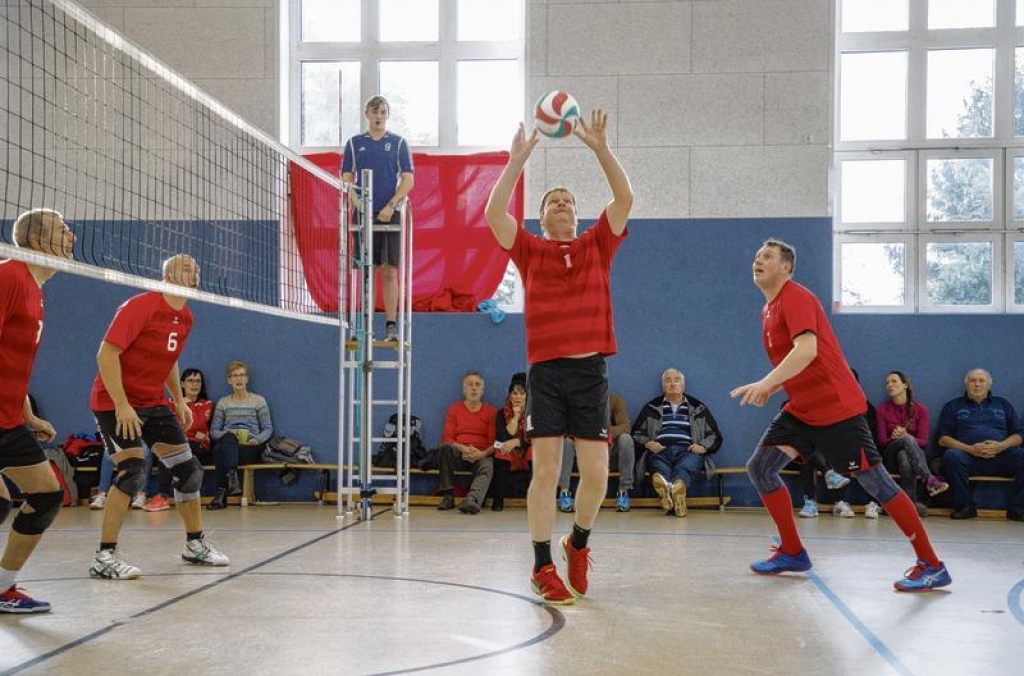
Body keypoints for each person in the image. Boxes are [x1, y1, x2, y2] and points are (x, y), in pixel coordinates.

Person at [730, 239, 950, 592]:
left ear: (786, 267)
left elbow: (807, 350)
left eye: (767, 256)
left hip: (837, 408)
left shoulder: (796, 297)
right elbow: (799, 366)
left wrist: (767, 382)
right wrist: (770, 389)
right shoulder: (768, 310)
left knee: (877, 484)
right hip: (801, 408)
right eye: (756, 256)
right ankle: (792, 551)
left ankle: (932, 563)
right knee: (761, 467)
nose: (758, 260)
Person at [485, 110, 633, 604]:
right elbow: (493, 214)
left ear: (579, 214)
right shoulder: (529, 250)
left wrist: (600, 149)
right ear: (543, 217)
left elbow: (625, 198)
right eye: (554, 202)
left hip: (590, 372)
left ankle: (578, 543)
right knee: (546, 472)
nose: (564, 205)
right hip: (546, 373)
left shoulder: (597, 245)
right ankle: (542, 564)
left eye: (569, 201)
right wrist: (516, 161)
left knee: (594, 475)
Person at [88, 254, 229, 579]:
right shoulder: (142, 305)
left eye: (196, 268)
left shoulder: (187, 316)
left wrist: (179, 400)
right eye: (184, 266)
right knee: (133, 472)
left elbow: (170, 359)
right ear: (166, 275)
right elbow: (106, 354)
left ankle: (195, 545)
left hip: (153, 402)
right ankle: (104, 555)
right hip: (113, 401)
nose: (192, 270)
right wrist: (122, 405)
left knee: (189, 470)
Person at [0, 208, 75, 613]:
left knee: (45, 497)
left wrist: (26, 412)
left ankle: (2, 588)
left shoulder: (34, 289)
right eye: (62, 231)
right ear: (35, 239)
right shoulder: (8, 276)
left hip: (8, 420)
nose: (71, 237)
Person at [341, 95, 415, 342]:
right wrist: (355, 199)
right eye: (375, 112)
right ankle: (365, 323)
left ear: (387, 115)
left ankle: (391, 325)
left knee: (389, 270)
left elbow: (408, 180)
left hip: (388, 213)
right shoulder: (354, 144)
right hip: (363, 212)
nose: (379, 116)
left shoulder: (398, 143)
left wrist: (391, 205)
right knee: (366, 270)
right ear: (366, 114)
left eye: (383, 112)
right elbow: (346, 178)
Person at [936, 368, 1024, 521]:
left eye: (981, 380)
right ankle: (966, 507)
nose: (977, 384)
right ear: (966, 385)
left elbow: (1019, 435)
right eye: (972, 380)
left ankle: (1017, 509)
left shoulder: (1003, 404)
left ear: (989, 385)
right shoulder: (953, 406)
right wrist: (970, 449)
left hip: (1001, 457)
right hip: (968, 458)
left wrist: (1001, 446)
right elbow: (943, 439)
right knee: (952, 455)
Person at [632, 370, 722, 517]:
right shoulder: (651, 407)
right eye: (668, 380)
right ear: (663, 385)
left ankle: (669, 493)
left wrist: (703, 446)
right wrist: (648, 443)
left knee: (685, 467)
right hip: (660, 450)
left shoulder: (698, 407)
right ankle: (676, 496)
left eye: (677, 380)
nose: (673, 384)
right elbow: (635, 434)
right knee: (659, 468)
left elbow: (715, 436)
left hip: (688, 450)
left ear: (683, 384)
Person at [141, 367, 215, 512]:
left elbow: (193, 423)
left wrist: (188, 432)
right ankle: (162, 497)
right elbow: (173, 427)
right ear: (182, 384)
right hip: (178, 443)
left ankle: (169, 496)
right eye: (190, 381)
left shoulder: (207, 404)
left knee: (175, 454)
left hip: (198, 447)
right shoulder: (171, 403)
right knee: (168, 453)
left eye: (198, 381)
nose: (195, 384)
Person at [876, 370, 947, 517]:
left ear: (905, 385)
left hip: (914, 457)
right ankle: (929, 480)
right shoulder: (882, 409)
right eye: (887, 383)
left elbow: (924, 441)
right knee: (906, 442)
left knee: (905, 456)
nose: (889, 385)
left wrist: (906, 436)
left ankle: (906, 505)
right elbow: (882, 441)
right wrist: (898, 438)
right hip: (890, 455)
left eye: (894, 381)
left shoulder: (921, 410)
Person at [207, 360, 273, 510]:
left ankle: (221, 493)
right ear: (229, 380)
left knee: (219, 451)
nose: (239, 379)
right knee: (224, 444)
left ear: (247, 379)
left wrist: (256, 440)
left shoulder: (258, 401)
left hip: (249, 447)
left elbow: (268, 428)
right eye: (235, 376)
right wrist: (230, 434)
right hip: (228, 443)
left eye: (242, 375)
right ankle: (232, 476)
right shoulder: (223, 403)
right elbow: (214, 432)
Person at [558, 392, 635, 513]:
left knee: (626, 439)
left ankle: (623, 491)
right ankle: (564, 492)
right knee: (567, 442)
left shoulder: (615, 400)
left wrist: (603, 433)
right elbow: (568, 427)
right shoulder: (576, 401)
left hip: (608, 450)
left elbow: (625, 426)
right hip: (584, 450)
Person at [436, 370, 497, 514]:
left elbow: (495, 442)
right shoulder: (454, 410)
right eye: (470, 384)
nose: (474, 388)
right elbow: (447, 438)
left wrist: (481, 454)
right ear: (464, 389)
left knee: (489, 464)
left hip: (481, 455)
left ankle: (472, 499)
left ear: (482, 390)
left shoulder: (491, 412)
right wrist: (462, 448)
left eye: (477, 385)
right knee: (444, 448)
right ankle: (448, 496)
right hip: (459, 454)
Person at [491, 372, 532, 512]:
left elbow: (535, 438)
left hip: (526, 451)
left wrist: (516, 442)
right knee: (500, 451)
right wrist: (515, 417)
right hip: (509, 452)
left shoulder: (534, 414)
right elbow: (500, 439)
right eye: (514, 393)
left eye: (522, 393)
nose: (518, 397)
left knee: (536, 452)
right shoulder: (501, 414)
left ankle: (533, 501)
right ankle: (498, 500)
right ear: (509, 395)